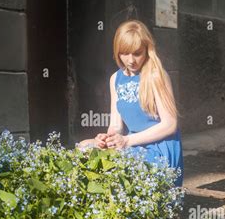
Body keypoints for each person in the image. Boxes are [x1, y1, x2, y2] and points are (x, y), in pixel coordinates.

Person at [77, 19, 184, 187]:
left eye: (137, 53)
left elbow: (170, 125)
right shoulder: (115, 79)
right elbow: (116, 126)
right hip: (131, 143)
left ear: (147, 50)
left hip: (159, 148)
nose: (131, 60)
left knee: (118, 162)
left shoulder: (156, 75)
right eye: (125, 53)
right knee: (84, 147)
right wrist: (108, 138)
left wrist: (127, 141)